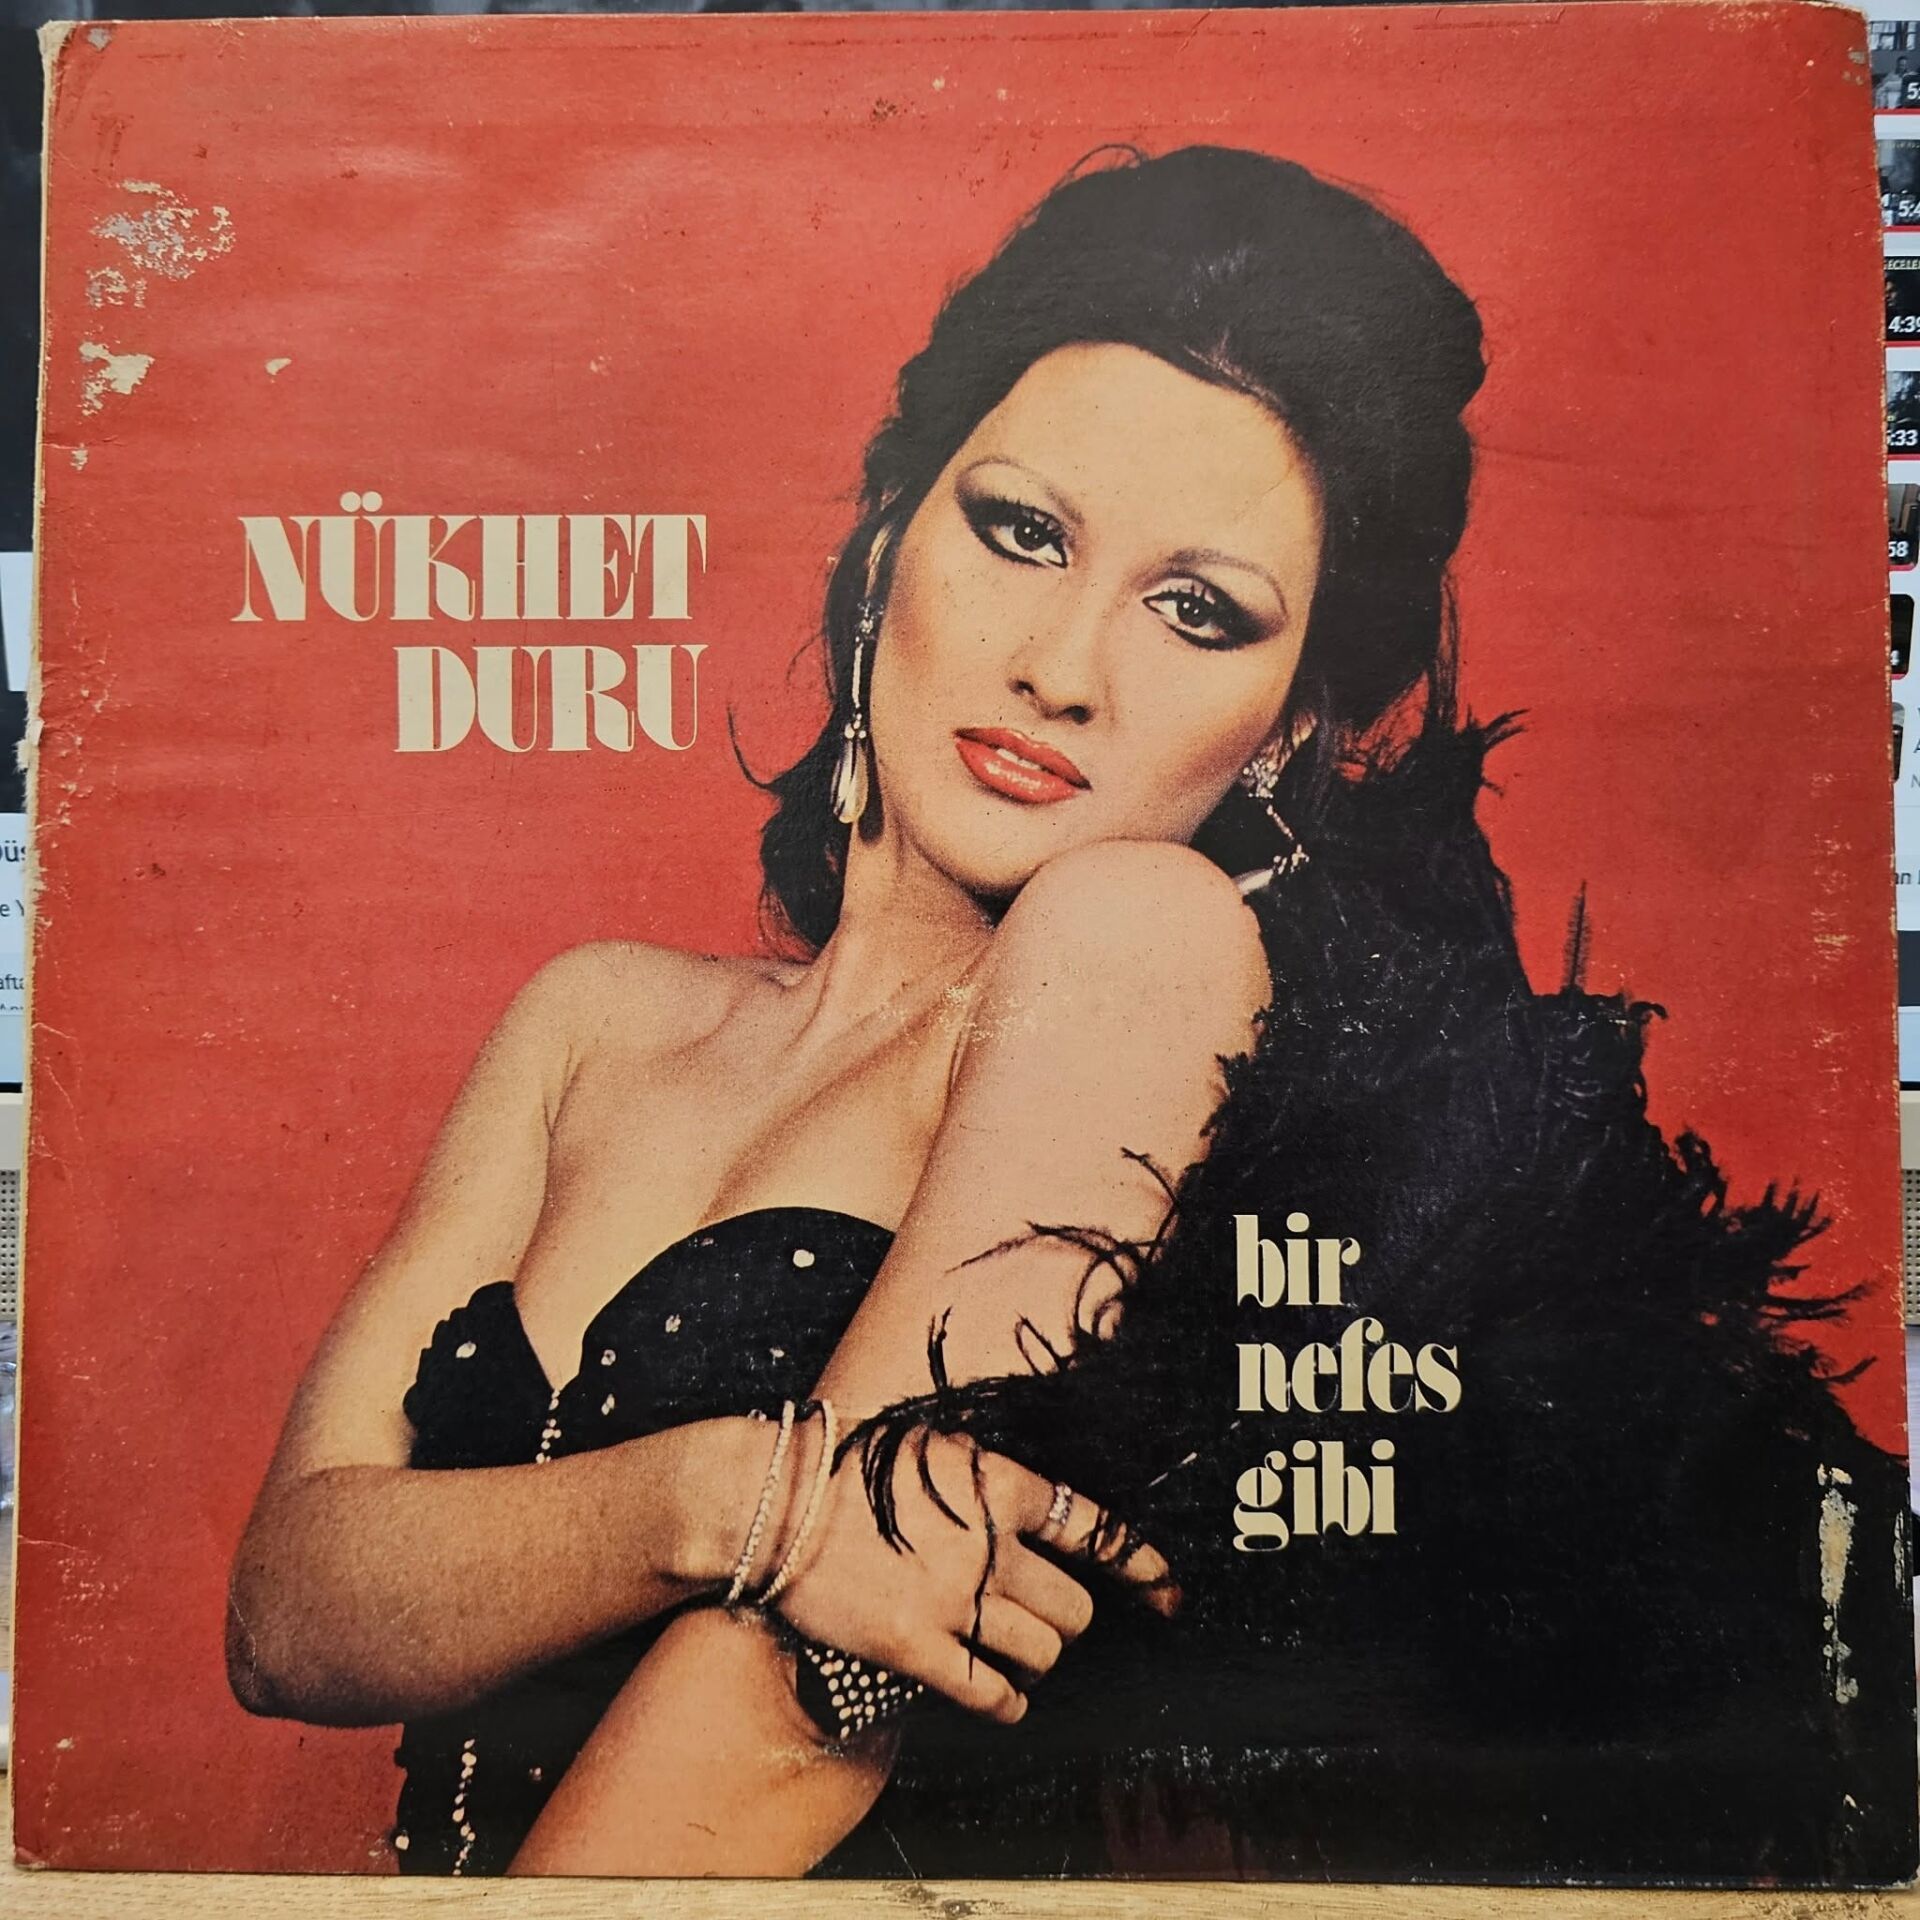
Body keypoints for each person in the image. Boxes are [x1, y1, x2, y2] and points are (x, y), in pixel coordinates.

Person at [226, 145, 1914, 1884]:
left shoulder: (1142, 951)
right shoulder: (593, 1021)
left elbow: (786, 1737)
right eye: (1022, 531)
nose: (1063, 665)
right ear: (888, 537)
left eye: (1199, 611)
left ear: (1290, 725)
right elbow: (286, 1617)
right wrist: (731, 1499)